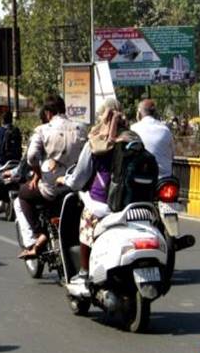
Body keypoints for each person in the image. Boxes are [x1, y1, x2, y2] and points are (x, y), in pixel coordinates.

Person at [57, 98, 134, 281]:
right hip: (131, 202)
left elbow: (78, 180)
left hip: (103, 203)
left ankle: (84, 271)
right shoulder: (133, 138)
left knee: (86, 226)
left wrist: (64, 179)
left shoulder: (95, 143)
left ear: (103, 117)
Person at [15, 95, 87, 260]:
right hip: (77, 187)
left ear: (48, 113)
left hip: (51, 189)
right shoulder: (81, 128)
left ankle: (38, 234)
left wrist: (38, 174)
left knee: (23, 194)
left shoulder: (43, 130)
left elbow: (32, 157)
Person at [130, 99, 175, 179]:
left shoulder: (133, 129)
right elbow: (172, 155)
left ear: (139, 114)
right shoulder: (165, 130)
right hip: (164, 178)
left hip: (141, 177)